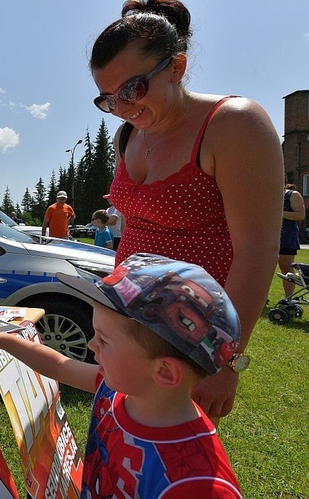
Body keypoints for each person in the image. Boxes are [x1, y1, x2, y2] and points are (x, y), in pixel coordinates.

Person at [91, 0, 283, 423]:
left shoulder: (233, 124)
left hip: (189, 341)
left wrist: (225, 361)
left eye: (133, 89)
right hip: (128, 332)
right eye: (108, 98)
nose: (122, 108)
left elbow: (258, 250)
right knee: (122, 443)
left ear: (176, 67)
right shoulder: (128, 135)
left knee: (176, 460)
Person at [0, 253, 243, 497]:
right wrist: (5, 341)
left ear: (165, 372)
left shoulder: (197, 482)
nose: (92, 345)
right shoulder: (119, 390)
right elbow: (59, 366)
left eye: (104, 340)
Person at [279, 183, 306, 298]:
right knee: (264, 268)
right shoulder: (265, 195)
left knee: (286, 267)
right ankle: (263, 299)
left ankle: (289, 297)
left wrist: (279, 213)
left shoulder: (292, 195)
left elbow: (300, 215)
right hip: (267, 236)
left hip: (286, 237)